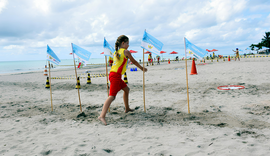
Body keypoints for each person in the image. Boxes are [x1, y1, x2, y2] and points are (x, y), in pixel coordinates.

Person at [98, 35, 148, 125]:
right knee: (112, 96)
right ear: (123, 43)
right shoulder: (126, 52)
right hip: (115, 76)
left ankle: (127, 108)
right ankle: (102, 116)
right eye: (127, 43)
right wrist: (142, 68)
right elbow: (134, 61)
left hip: (115, 75)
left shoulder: (116, 52)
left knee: (126, 89)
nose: (128, 45)